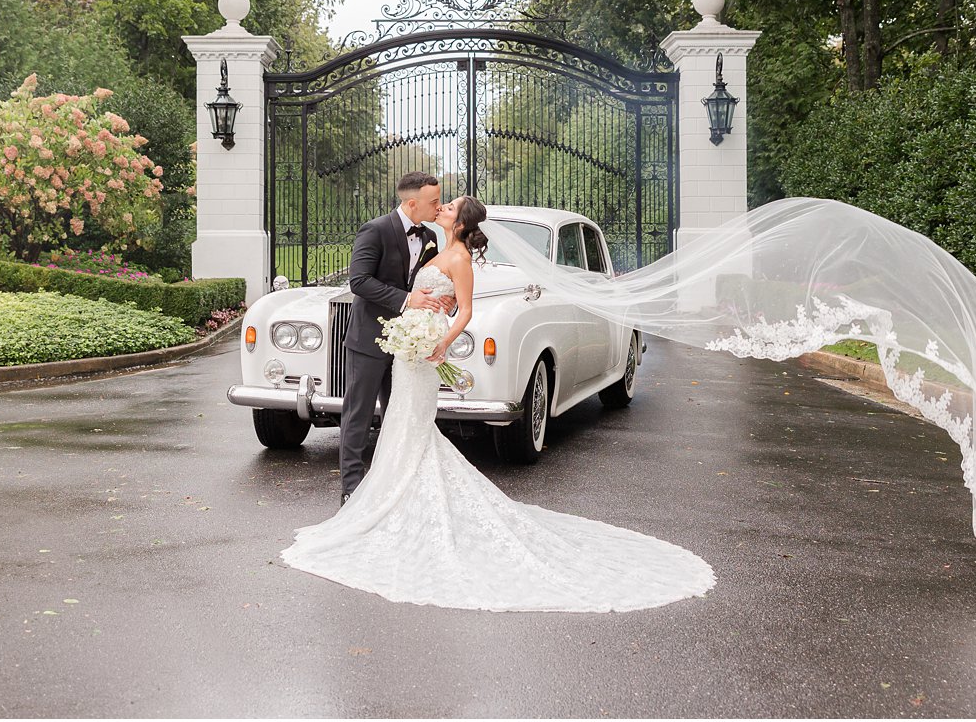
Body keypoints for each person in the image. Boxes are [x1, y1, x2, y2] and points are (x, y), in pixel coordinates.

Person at [282, 195, 718, 613]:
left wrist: (441, 342)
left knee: (409, 426)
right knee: (399, 424)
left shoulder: (460, 259)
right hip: (405, 350)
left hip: (424, 350)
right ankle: (376, 498)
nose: (442, 207)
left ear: (462, 223)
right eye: (441, 203)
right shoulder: (433, 245)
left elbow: (465, 311)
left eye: (448, 207)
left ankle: (389, 501)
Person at [337, 172, 454, 505]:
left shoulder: (431, 235)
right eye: (434, 202)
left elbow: (429, 282)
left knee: (397, 414)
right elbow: (359, 281)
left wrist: (442, 298)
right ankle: (351, 489)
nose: (439, 206)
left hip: (409, 344)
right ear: (412, 203)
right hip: (370, 338)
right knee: (358, 414)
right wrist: (406, 299)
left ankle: (393, 486)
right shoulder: (375, 230)